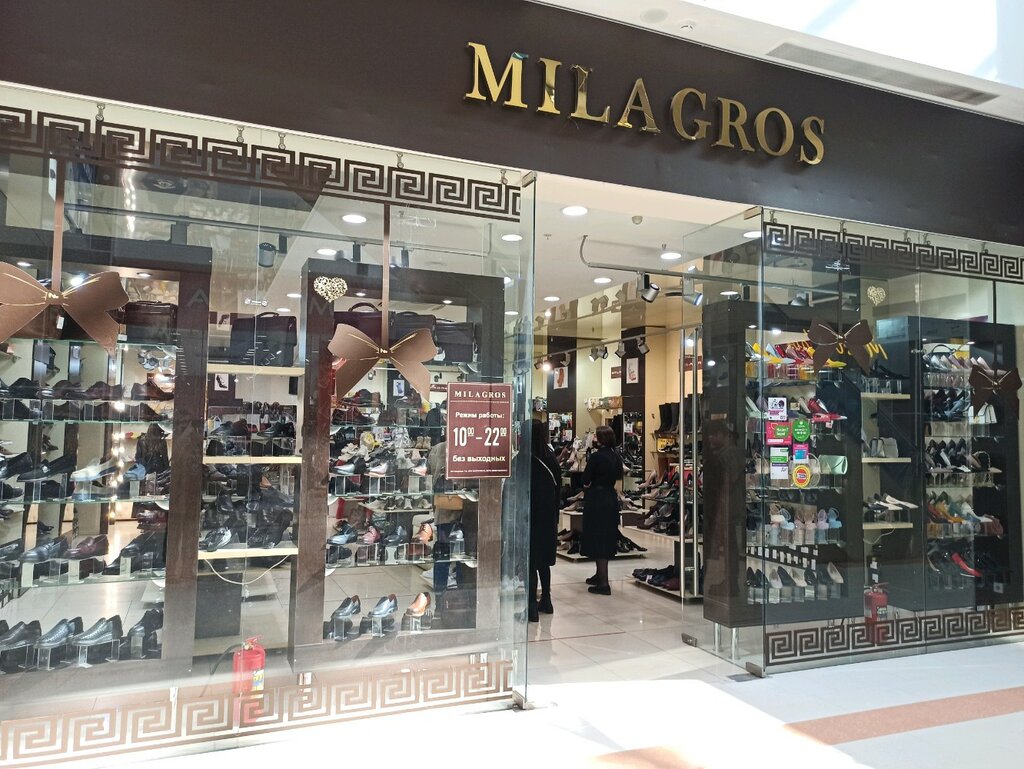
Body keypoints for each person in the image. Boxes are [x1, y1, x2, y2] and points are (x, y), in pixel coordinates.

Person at [581, 425, 623, 595]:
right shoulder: (615, 456)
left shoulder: (597, 457)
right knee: (605, 537)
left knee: (598, 538)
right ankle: (599, 575)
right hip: (610, 498)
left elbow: (585, 479)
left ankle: (603, 583)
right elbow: (618, 476)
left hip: (597, 500)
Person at [529, 419, 561, 622]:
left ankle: (531, 604)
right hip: (548, 516)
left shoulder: (526, 459)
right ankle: (546, 599)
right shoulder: (551, 458)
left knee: (531, 561)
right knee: (544, 562)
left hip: (531, 516)